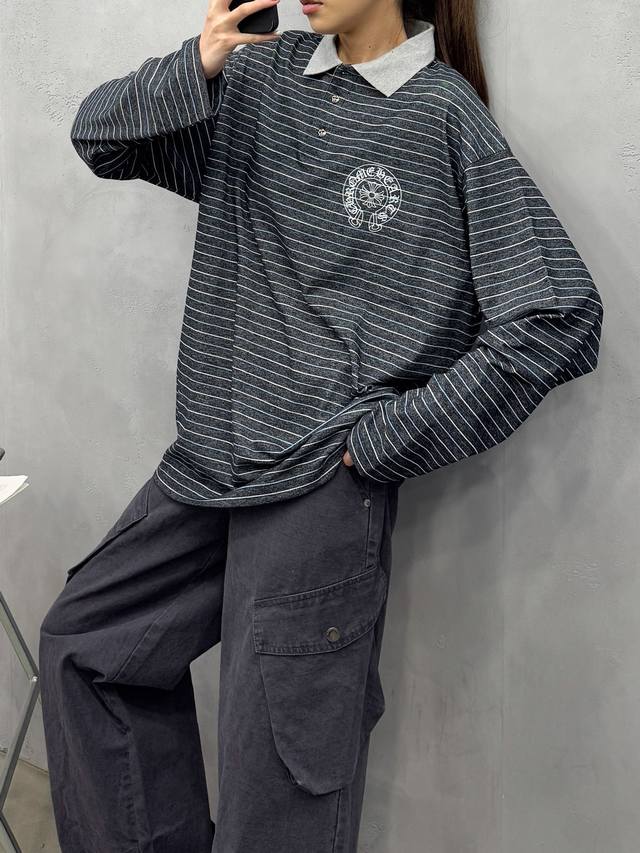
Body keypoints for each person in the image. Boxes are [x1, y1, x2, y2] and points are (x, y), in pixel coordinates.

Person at [38, 0, 604, 851]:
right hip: (209, 466)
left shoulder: (440, 112)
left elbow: (557, 315)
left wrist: (383, 442)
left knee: (273, 792)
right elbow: (101, 139)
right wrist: (200, 61)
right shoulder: (259, 80)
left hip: (318, 492)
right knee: (87, 645)